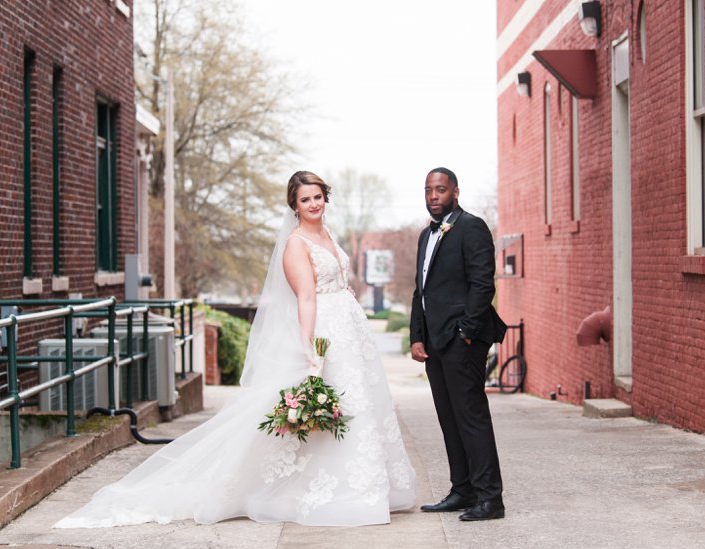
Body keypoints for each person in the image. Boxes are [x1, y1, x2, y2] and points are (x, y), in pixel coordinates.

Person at [54, 171, 415, 528]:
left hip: (350, 331)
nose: (313, 204)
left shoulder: (328, 234)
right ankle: (315, 491)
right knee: (327, 407)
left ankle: (362, 484)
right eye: (305, 199)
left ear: (326, 197)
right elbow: (305, 297)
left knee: (358, 406)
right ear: (294, 205)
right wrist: (308, 347)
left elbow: (333, 279)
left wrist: (345, 296)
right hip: (324, 335)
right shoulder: (295, 244)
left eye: (318, 197)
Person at [410, 167, 507, 522]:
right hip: (434, 341)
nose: (433, 196)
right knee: (448, 418)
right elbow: (420, 291)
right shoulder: (425, 236)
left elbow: (483, 284)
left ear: (455, 191)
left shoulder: (471, 227)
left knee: (471, 417)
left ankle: (490, 498)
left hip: (463, 340)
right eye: (428, 190)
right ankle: (462, 489)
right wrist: (416, 336)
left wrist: (466, 331)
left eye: (440, 189)